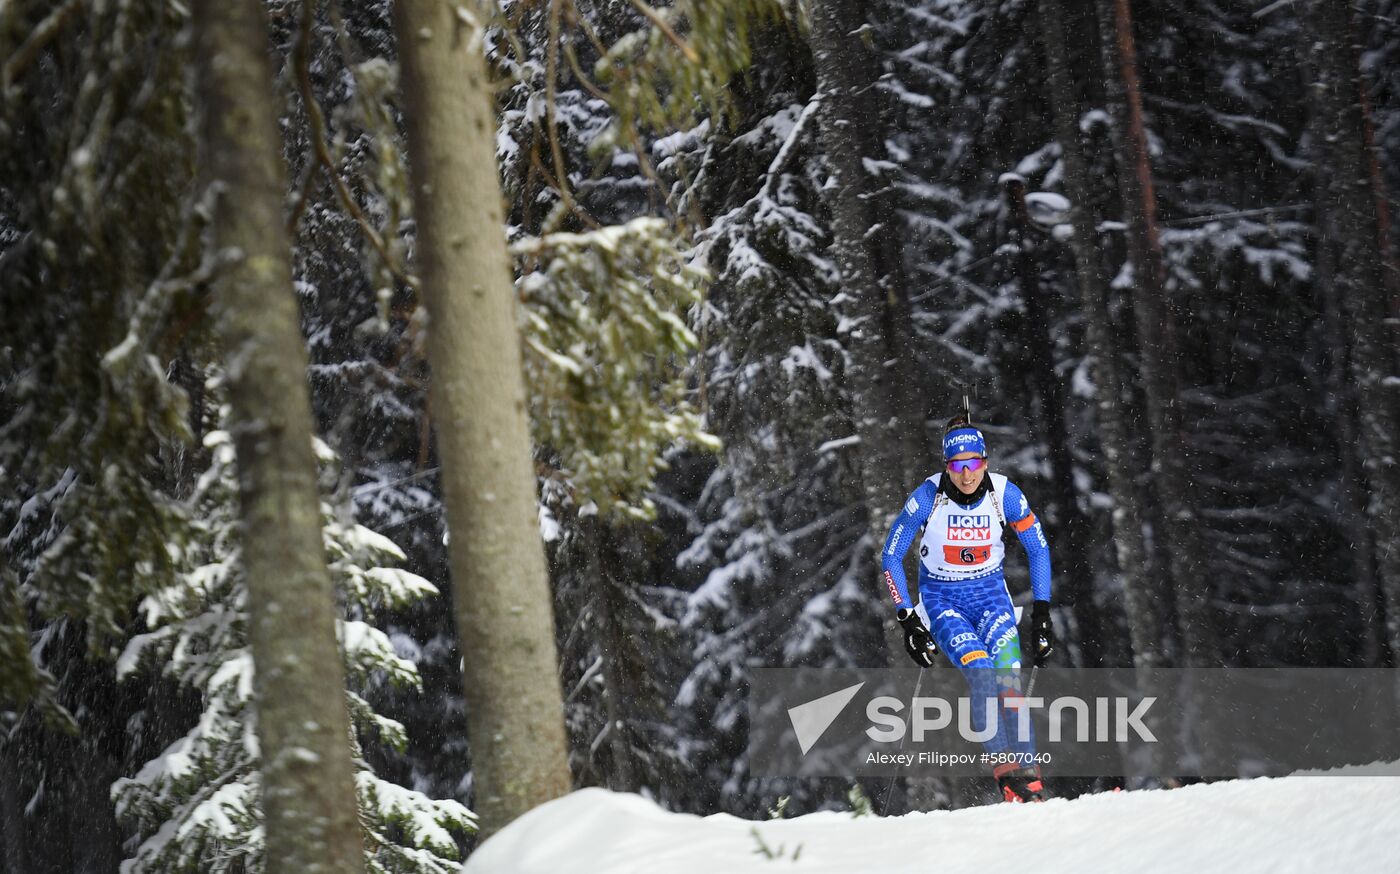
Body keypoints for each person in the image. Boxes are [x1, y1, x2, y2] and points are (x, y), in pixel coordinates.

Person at [880, 414, 1055, 803]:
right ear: (947, 466)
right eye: (957, 465)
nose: (966, 474)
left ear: (985, 462)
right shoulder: (927, 497)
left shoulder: (1005, 495)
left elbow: (1038, 548)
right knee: (982, 674)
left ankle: (1031, 785)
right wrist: (908, 620)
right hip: (943, 599)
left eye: (974, 463)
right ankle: (1007, 778)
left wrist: (1042, 612)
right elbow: (890, 556)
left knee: (1008, 682)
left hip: (991, 597)